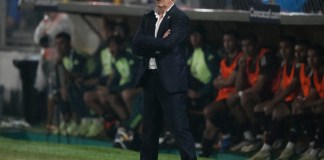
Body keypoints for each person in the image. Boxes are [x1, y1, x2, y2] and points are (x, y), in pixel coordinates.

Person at [132, 0, 197, 159]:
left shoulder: (179, 18)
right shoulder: (147, 17)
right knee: (149, 130)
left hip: (171, 81)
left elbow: (169, 44)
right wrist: (158, 41)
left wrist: (146, 41)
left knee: (180, 129)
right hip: (150, 78)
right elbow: (135, 46)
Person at [199, 31, 242, 157]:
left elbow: (229, 81)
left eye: (230, 40)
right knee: (209, 125)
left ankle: (228, 134)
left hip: (233, 97)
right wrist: (223, 82)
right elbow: (216, 82)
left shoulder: (240, 58)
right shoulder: (224, 60)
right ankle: (205, 151)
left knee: (209, 112)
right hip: (222, 96)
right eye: (225, 41)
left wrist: (222, 82)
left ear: (236, 42)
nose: (227, 44)